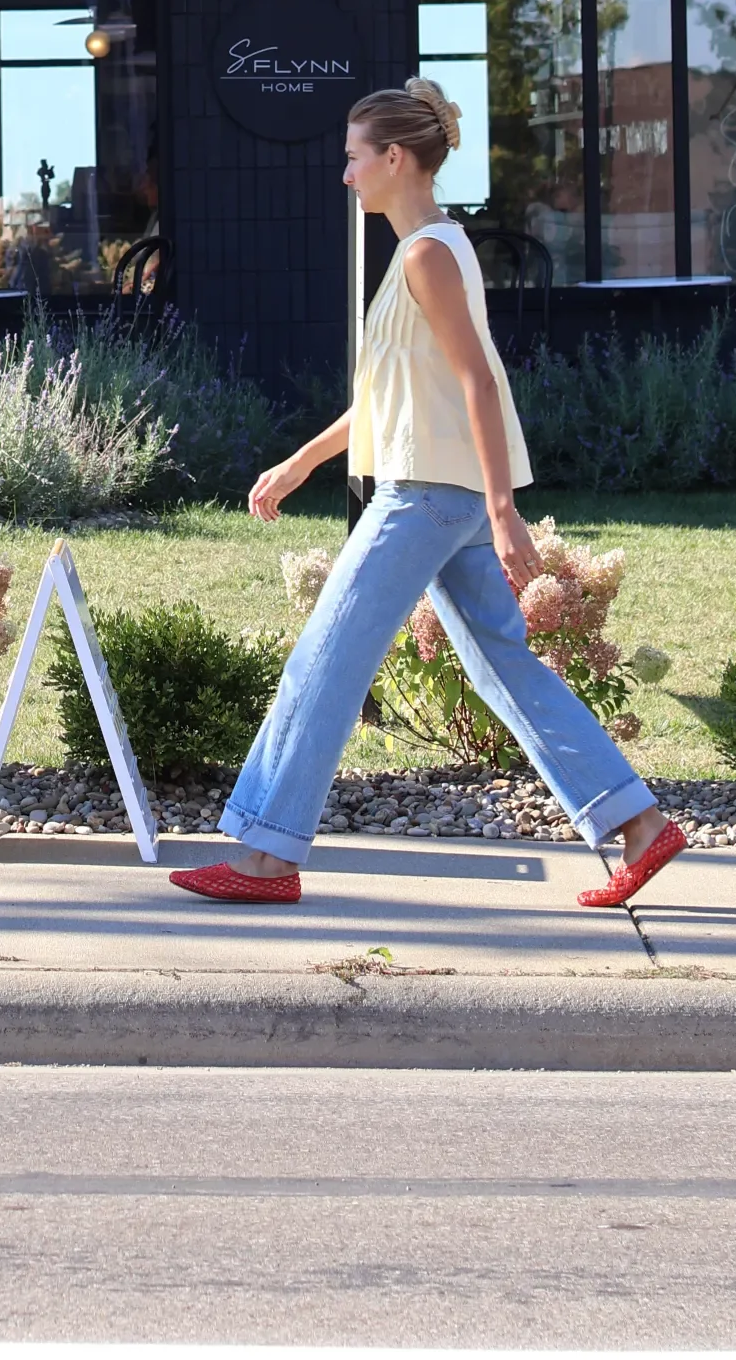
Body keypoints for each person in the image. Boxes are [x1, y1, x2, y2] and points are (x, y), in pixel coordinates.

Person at [171, 78, 685, 910]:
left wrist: (502, 508)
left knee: (327, 659)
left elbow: (479, 380)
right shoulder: (428, 248)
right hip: (445, 492)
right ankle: (636, 823)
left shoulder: (427, 255)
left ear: (395, 159)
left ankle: (266, 858)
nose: (345, 176)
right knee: (504, 668)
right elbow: (391, 393)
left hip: (427, 498)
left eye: (354, 158)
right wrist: (303, 461)